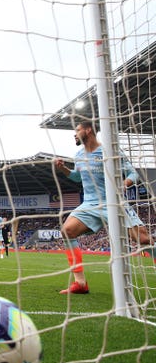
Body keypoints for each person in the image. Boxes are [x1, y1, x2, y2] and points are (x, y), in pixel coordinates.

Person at [53, 120, 155, 294]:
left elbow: (133, 173)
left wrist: (125, 182)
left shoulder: (110, 151)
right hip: (91, 203)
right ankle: (80, 283)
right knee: (67, 231)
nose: (74, 134)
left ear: (88, 130)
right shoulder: (78, 155)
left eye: (77, 130)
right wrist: (64, 170)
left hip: (114, 202)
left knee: (143, 240)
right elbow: (78, 178)